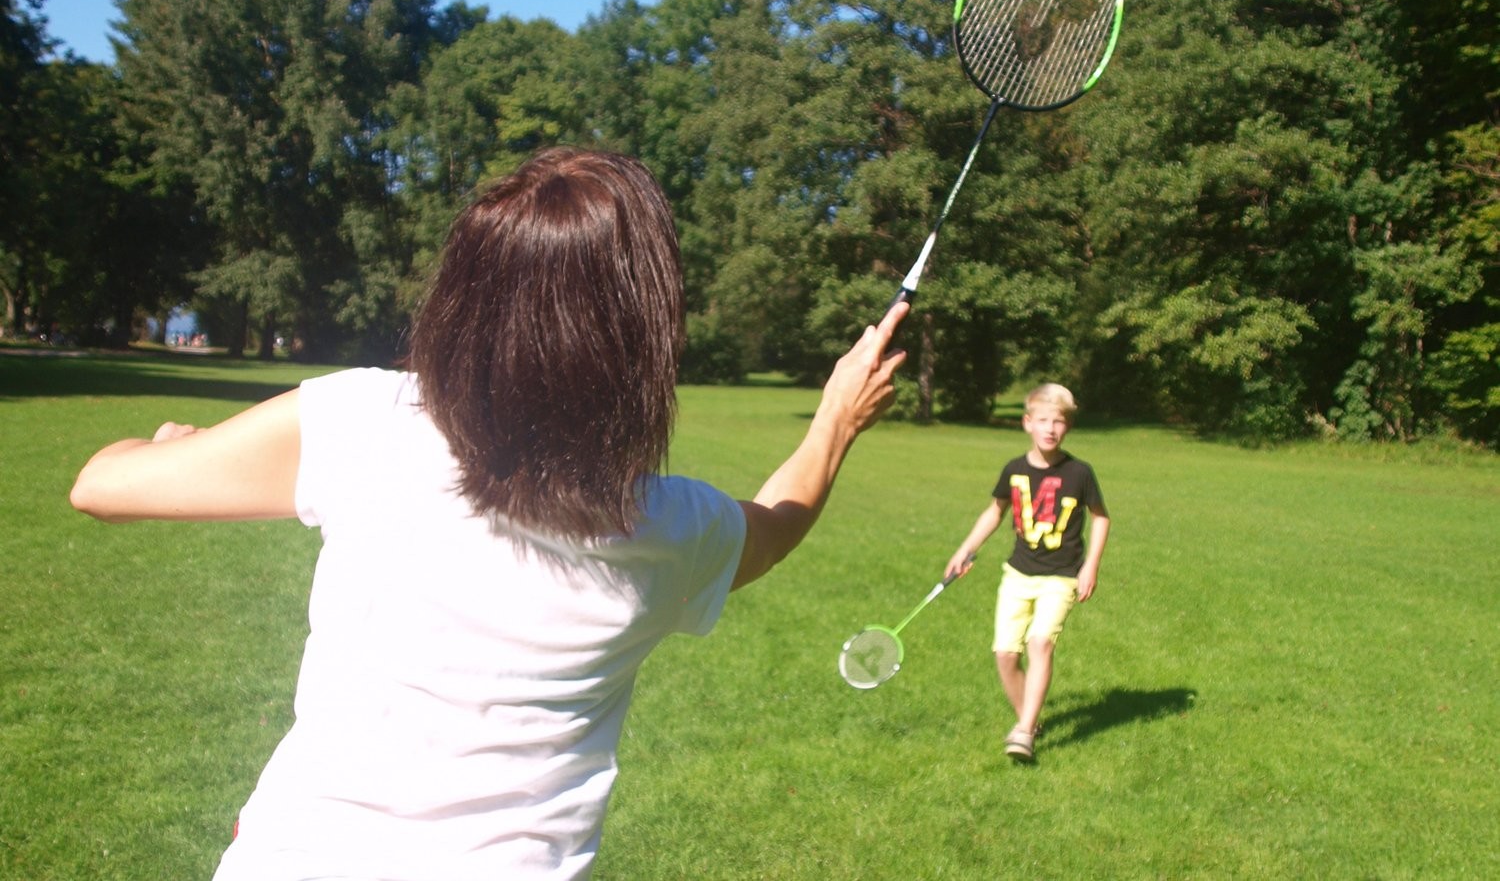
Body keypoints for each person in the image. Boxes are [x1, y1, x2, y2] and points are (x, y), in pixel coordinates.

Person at [72, 146, 908, 880]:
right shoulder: (666, 527)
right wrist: (837, 415)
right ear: (639, 337)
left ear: (466, 298)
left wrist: (171, 442)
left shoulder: (367, 422)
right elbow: (777, 522)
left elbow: (100, 486)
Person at [944, 383, 1109, 764]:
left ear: (1067, 427)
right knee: (1005, 654)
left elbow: (1101, 518)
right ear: (1027, 423)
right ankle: (1029, 723)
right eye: (1044, 421)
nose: (1051, 429)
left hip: (1062, 576)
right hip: (1017, 575)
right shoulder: (1014, 470)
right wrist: (966, 549)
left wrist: (1091, 566)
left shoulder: (1080, 472)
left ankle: (1024, 731)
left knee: (1040, 644)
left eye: (1060, 422)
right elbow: (994, 512)